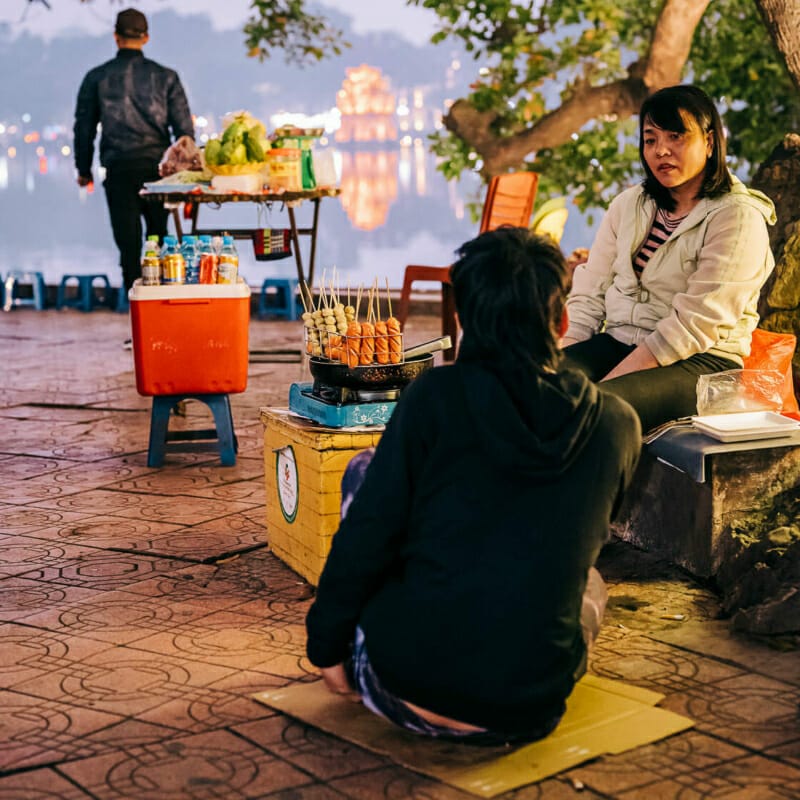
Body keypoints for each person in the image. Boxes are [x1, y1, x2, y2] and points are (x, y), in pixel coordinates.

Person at [305, 227, 641, 746]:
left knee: (364, 472)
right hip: (530, 709)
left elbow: (368, 534)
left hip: (401, 688)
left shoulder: (432, 398)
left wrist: (326, 646)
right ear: (564, 321)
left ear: (461, 318)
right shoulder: (618, 423)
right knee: (591, 585)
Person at [561, 84, 776, 434]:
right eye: (650, 139)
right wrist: (562, 360)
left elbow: (695, 324)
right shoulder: (629, 204)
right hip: (618, 341)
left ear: (709, 142)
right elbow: (590, 290)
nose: (661, 150)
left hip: (700, 362)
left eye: (676, 137)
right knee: (532, 393)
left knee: (596, 411)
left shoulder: (737, 217)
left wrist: (605, 383)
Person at [73, 8, 194, 297]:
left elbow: (84, 129)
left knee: (129, 245)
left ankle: (135, 314)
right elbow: (185, 133)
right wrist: (188, 178)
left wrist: (83, 170)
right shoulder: (167, 77)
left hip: (119, 171)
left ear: (116, 37)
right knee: (160, 241)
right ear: (146, 37)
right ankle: (162, 308)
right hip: (158, 174)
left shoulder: (97, 77)